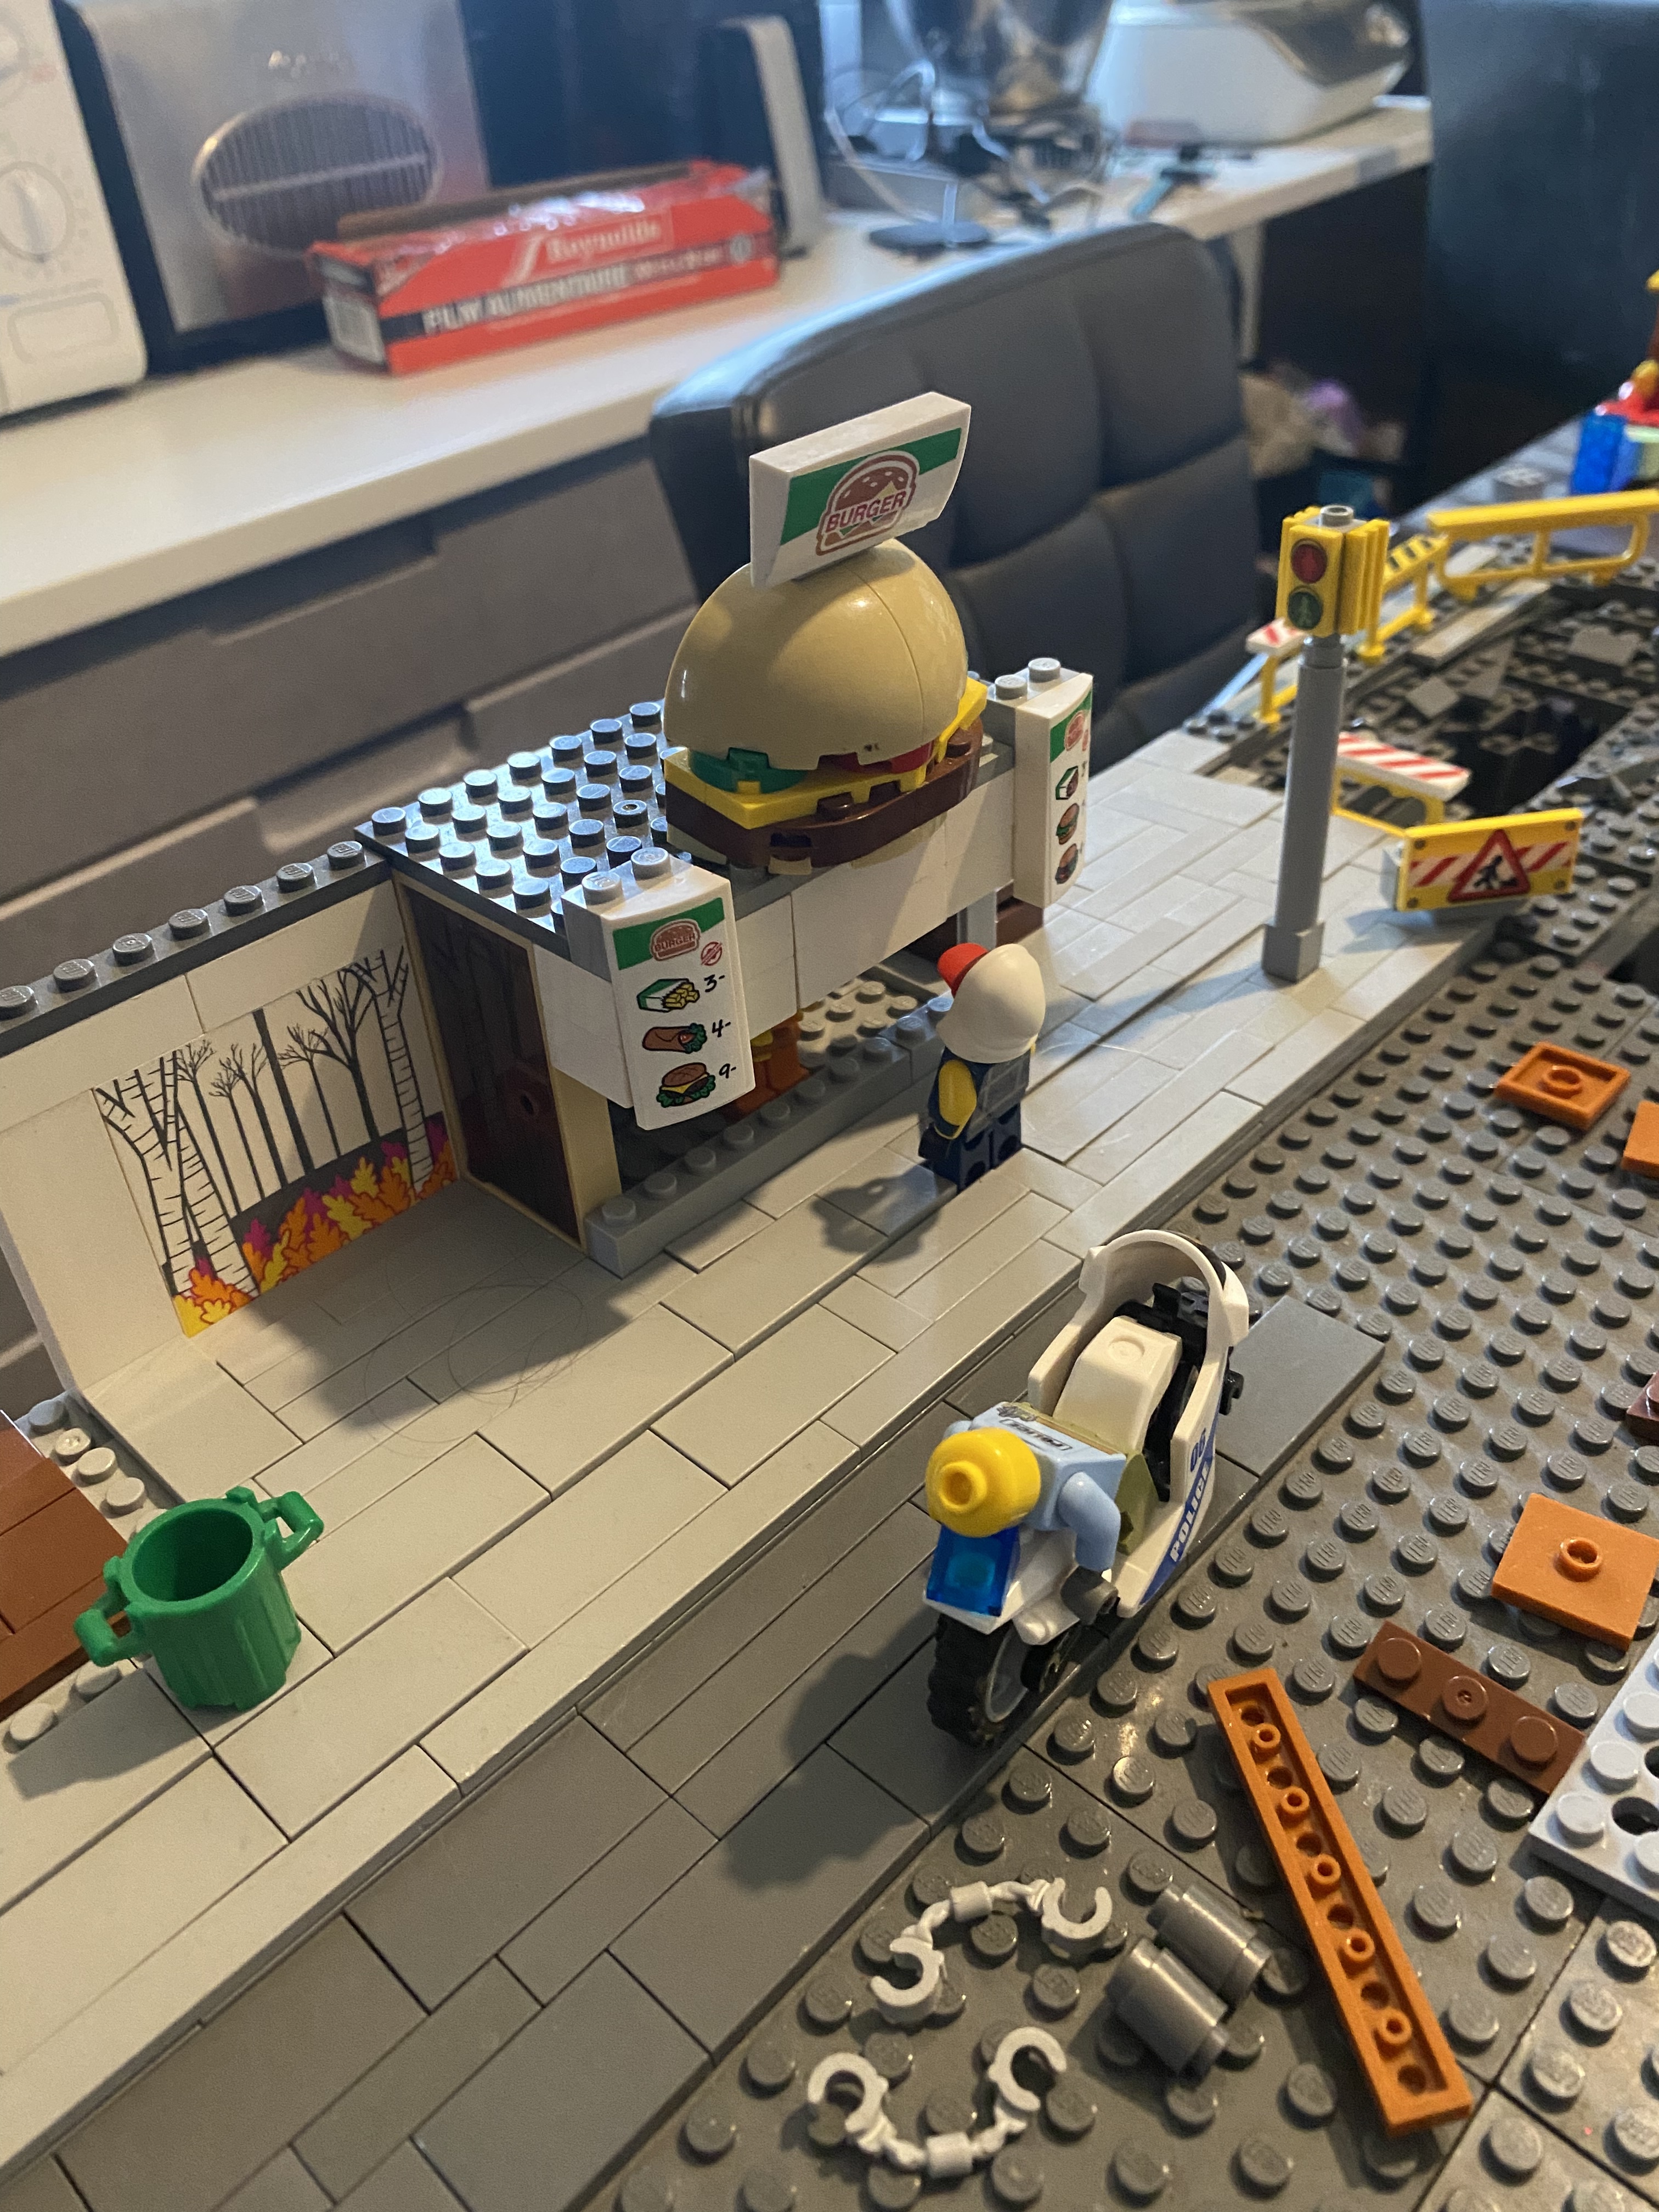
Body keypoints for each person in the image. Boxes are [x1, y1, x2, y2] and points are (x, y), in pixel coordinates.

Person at [920, 940, 1046, 1191]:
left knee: (962, 1160)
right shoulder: (1021, 1043)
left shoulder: (959, 1066)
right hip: (1008, 1105)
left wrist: (941, 1134)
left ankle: (959, 1181)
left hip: (965, 1133)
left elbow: (958, 1108)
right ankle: (1007, 1151)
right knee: (1005, 1134)